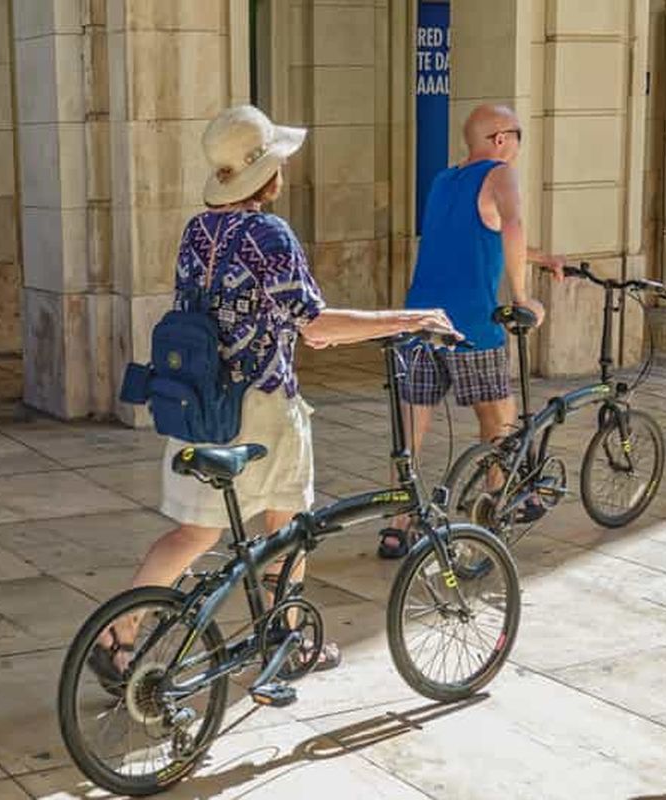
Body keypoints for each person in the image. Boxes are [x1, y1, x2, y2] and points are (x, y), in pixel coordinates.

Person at [88, 105, 458, 682]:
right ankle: (285, 641)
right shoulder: (269, 235)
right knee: (288, 529)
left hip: (196, 401)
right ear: (266, 175)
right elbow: (315, 326)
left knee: (193, 532)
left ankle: (120, 634)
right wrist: (407, 319)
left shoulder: (197, 231)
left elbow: (238, 313)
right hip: (260, 406)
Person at [377, 104, 565, 559]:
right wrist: (523, 298)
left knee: (411, 427)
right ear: (500, 138)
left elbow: (476, 235)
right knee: (498, 418)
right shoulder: (500, 174)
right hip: (470, 323)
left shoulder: (444, 181)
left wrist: (542, 259)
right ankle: (496, 504)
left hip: (420, 320)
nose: (519, 144)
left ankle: (397, 525)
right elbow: (512, 224)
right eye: (518, 134)